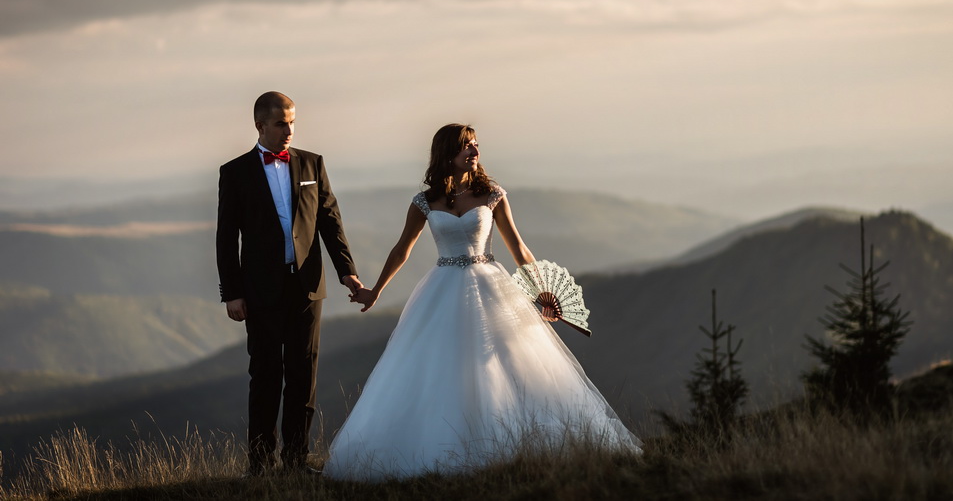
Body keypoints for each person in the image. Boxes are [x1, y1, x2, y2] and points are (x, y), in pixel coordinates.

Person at [324, 123, 641, 480]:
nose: (474, 151)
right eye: (466, 146)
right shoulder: (425, 202)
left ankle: (505, 441)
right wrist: (376, 290)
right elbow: (402, 250)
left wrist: (541, 291)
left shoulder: (492, 194)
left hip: (491, 285)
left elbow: (518, 247)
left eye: (476, 145)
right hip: (442, 289)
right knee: (442, 367)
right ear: (446, 154)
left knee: (505, 364)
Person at [216, 91, 363, 476]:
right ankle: (260, 466)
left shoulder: (312, 163)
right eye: (281, 123)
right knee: (265, 375)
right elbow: (225, 237)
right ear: (260, 125)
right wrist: (231, 293)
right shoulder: (234, 172)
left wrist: (347, 270)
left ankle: (296, 461)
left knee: (303, 375)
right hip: (260, 290)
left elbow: (330, 220)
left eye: (292, 122)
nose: (289, 130)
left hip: (307, 287)